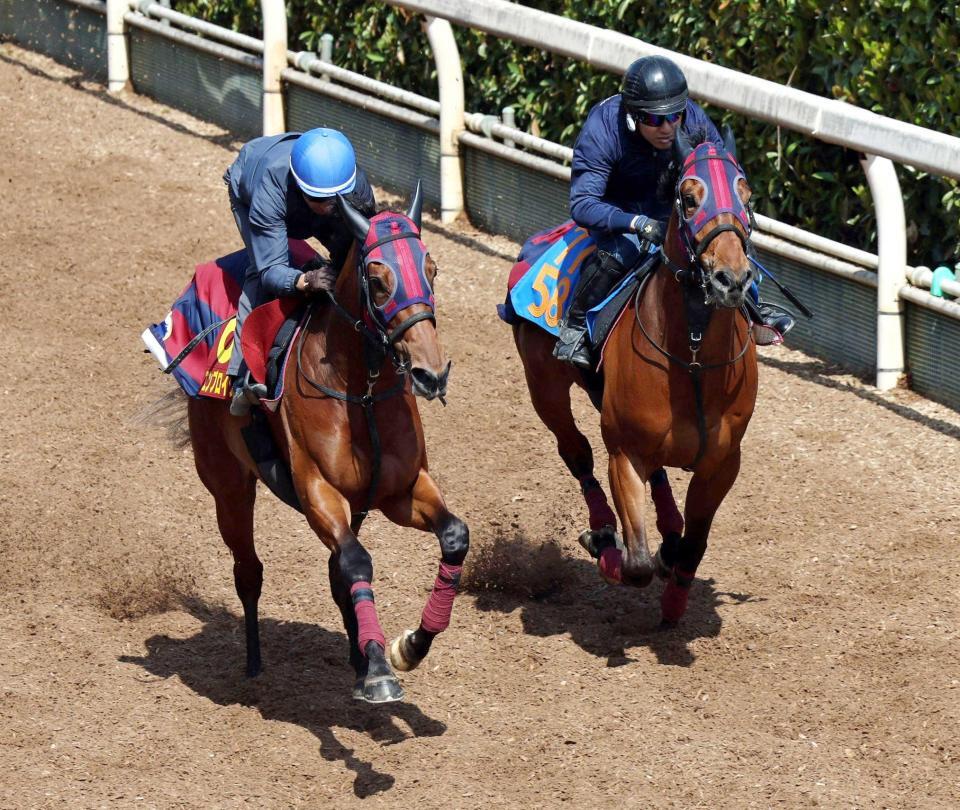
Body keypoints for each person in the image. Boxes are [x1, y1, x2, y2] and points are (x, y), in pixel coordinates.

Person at [554, 55, 795, 368]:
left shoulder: (692, 117)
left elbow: (721, 175)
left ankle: (755, 309)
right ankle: (573, 329)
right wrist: (637, 223)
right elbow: (583, 203)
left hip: (674, 209)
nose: (668, 127)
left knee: (730, 238)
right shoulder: (604, 127)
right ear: (633, 115)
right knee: (621, 254)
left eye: (674, 116)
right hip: (620, 214)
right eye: (655, 120)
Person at [223, 127, 377, 414]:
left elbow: (369, 246)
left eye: (339, 198)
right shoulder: (270, 186)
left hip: (303, 196)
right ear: (301, 187)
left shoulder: (355, 186)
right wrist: (305, 280)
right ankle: (243, 376)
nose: (332, 207)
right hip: (251, 189)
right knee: (258, 272)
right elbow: (272, 270)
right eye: (321, 200)